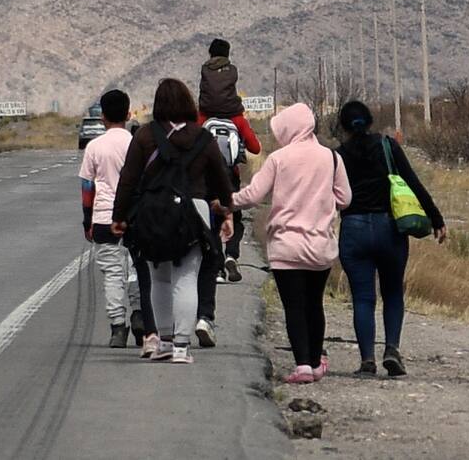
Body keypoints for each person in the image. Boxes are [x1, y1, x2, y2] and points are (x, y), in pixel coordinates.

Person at [112, 78, 234, 364]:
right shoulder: (203, 138)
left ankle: (164, 341)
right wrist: (226, 211)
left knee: (159, 278)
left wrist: (119, 217)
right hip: (195, 211)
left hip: (153, 213)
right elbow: (220, 179)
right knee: (187, 277)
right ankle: (181, 345)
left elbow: (128, 180)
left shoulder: (144, 136)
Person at [231, 103, 352, 383]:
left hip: (286, 245)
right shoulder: (331, 158)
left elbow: (253, 195)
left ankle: (302, 366)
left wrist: (227, 203)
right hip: (320, 246)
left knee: (294, 306)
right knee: (314, 304)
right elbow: (345, 199)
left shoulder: (278, 159)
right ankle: (315, 361)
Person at [335, 101, 446, 377]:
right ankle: (392, 349)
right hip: (389, 228)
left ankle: (367, 361)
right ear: (370, 121)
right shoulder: (387, 146)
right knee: (393, 291)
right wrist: (436, 218)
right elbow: (412, 182)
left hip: (354, 228)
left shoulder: (337, 156)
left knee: (362, 297)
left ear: (343, 126)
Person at [195, 38, 262, 347]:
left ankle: (218, 261)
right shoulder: (237, 116)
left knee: (210, 218)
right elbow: (255, 147)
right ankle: (233, 254)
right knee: (234, 214)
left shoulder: (201, 115)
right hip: (231, 177)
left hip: (206, 178)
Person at [79, 90, 152, 349]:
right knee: (135, 269)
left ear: (103, 117)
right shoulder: (137, 143)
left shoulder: (95, 147)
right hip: (134, 217)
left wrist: (87, 220)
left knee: (112, 274)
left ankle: (117, 328)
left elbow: (88, 187)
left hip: (103, 217)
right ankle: (140, 315)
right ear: (128, 113)